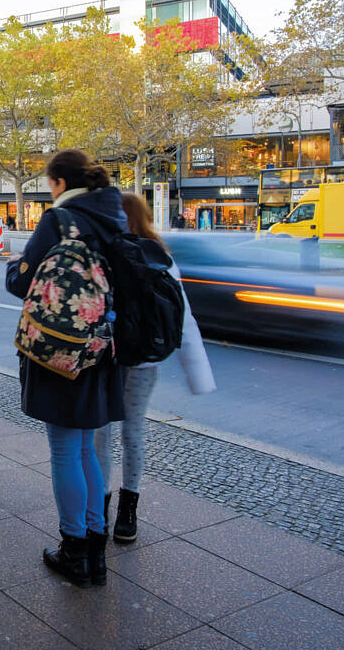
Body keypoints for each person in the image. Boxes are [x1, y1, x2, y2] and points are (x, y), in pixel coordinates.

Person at [4, 148, 126, 588]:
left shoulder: (59, 220)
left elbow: (23, 281)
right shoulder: (115, 217)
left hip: (62, 351)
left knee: (64, 450)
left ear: (58, 183)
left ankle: (73, 549)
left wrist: (13, 268)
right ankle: (96, 549)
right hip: (102, 350)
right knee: (87, 448)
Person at [94, 193, 216, 543]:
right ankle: (128, 513)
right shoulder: (161, 257)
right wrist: (199, 375)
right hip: (144, 361)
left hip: (109, 359)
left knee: (102, 433)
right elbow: (182, 317)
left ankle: (99, 509)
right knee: (133, 432)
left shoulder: (106, 253)